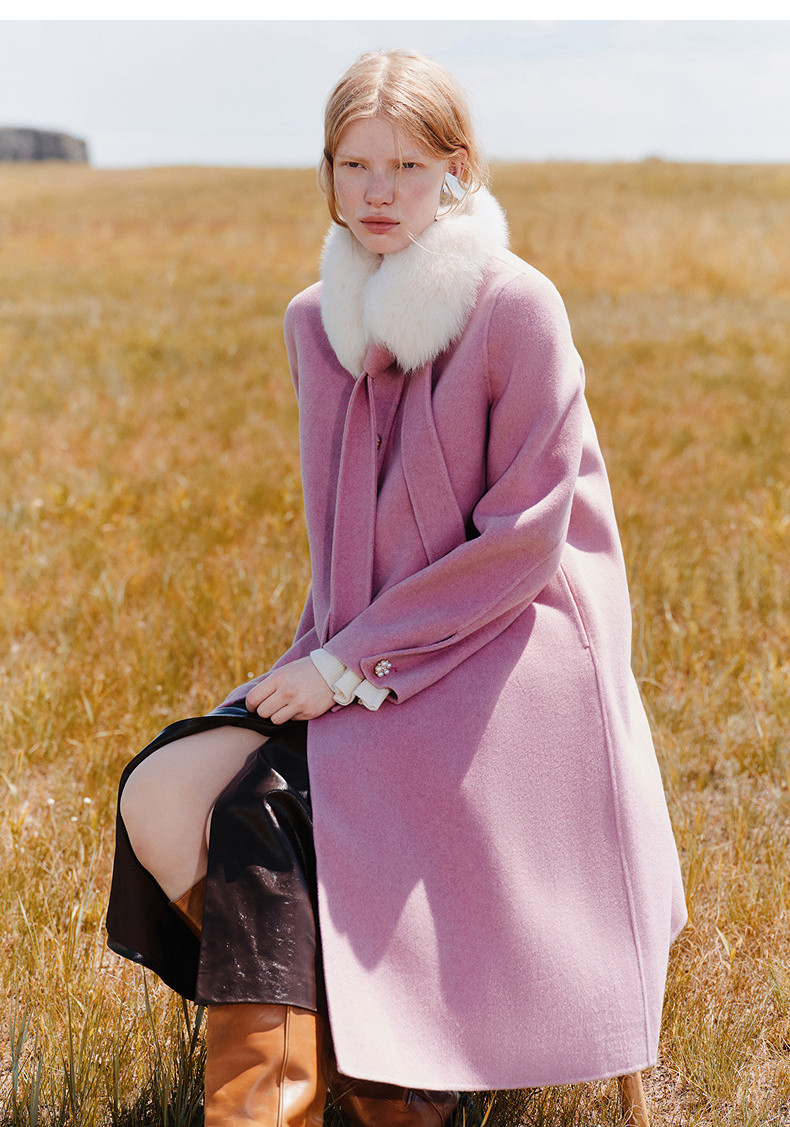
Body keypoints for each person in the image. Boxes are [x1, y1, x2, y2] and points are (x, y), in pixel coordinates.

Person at [107, 48, 686, 1127]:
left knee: (264, 811)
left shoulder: (517, 306)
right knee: (163, 794)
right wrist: (322, 657)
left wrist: (346, 668)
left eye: (408, 166)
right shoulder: (314, 322)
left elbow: (523, 546)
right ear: (327, 171)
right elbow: (341, 546)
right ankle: (358, 1061)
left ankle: (369, 1096)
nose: (378, 191)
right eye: (355, 165)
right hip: (364, 645)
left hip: (516, 652)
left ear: (457, 170)